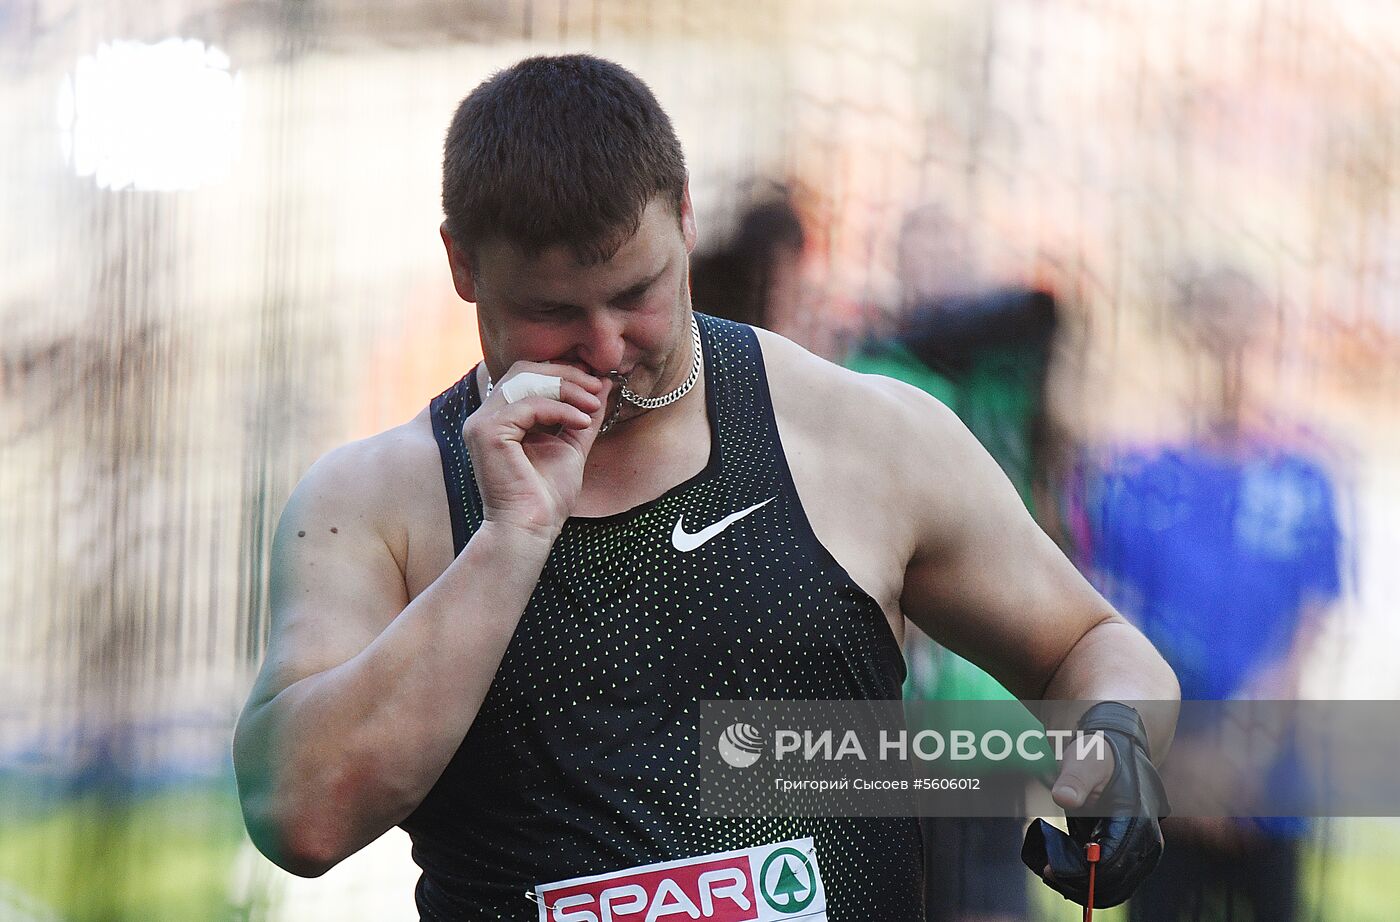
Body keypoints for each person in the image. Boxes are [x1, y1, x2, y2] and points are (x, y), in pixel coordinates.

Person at [232, 54, 1179, 920]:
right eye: (553, 314)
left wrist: (1116, 754)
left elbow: (1094, 649)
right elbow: (302, 820)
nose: (605, 350)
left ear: (684, 218)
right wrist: (511, 539)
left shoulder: (859, 435)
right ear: (463, 267)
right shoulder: (377, 501)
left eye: (638, 293)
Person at [1075, 266, 1345, 922]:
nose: (1231, 352)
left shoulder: (1306, 482)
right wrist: (1180, 770)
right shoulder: (1131, 481)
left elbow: (1308, 635)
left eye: (1247, 333)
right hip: (1166, 788)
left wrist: (1240, 760)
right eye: (1213, 330)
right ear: (1184, 341)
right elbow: (1113, 627)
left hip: (1271, 789)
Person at [847, 204, 1062, 922]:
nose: (933, 272)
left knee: (989, 894)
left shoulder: (1006, 361)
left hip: (987, 704)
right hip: (901, 710)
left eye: (948, 255)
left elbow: (1048, 306)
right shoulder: (869, 371)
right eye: (918, 255)